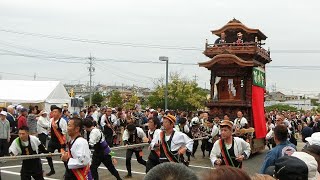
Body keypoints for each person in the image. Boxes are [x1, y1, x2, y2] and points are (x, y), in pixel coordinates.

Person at [46, 105, 67, 176]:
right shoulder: (51, 120)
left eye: (55, 112)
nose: (54, 113)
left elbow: (64, 132)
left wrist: (58, 128)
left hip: (60, 141)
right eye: (53, 112)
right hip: (52, 141)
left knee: (63, 157)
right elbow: (49, 128)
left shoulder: (62, 121)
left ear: (59, 113)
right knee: (48, 155)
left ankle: (68, 172)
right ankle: (52, 170)